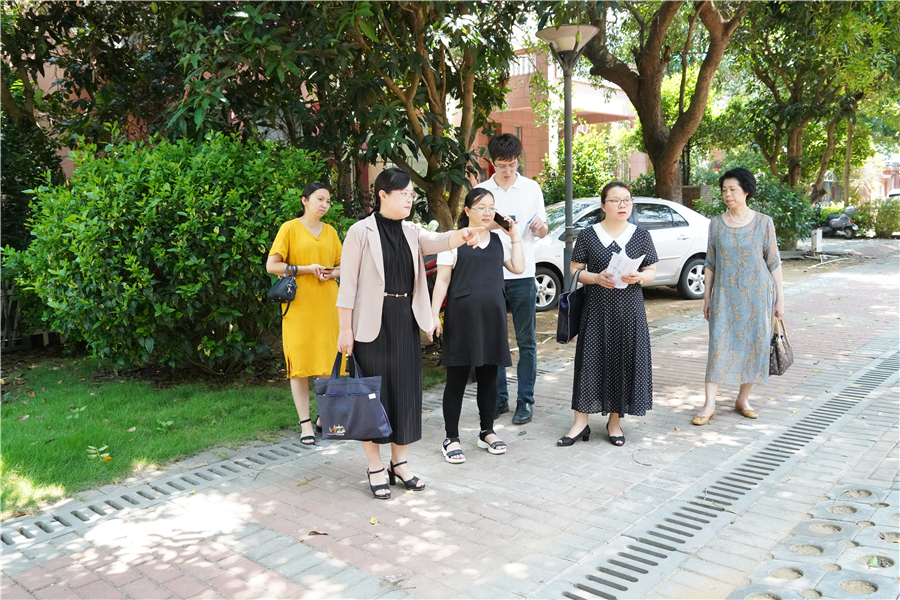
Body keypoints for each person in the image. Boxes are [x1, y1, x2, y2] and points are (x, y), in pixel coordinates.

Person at [336, 168, 483, 499]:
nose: (409, 199)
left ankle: (399, 463)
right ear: (383, 195)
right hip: (370, 324)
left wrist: (465, 234)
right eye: (403, 194)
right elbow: (348, 287)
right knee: (372, 397)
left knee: (404, 394)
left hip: (404, 320)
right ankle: (375, 466)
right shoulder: (360, 232)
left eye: (411, 194)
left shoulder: (412, 231)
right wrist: (345, 330)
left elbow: (440, 240)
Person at [558, 182, 658, 448]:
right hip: (596, 310)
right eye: (615, 200)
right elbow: (575, 270)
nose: (622, 205)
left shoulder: (641, 236)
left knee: (622, 362)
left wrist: (640, 277)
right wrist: (595, 278)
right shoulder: (589, 235)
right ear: (603, 205)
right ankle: (580, 423)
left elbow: (651, 271)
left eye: (627, 200)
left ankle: (615, 423)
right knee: (589, 364)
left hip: (630, 311)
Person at [430, 188, 525, 464]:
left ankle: (487, 432)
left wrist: (514, 235)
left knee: (489, 376)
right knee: (457, 378)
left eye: (491, 207)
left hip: (492, 317)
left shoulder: (497, 240)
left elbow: (518, 268)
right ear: (467, 210)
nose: (487, 212)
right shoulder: (453, 240)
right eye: (481, 207)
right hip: (462, 317)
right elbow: (442, 281)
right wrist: (433, 316)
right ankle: (451, 437)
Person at [693, 168, 784, 425]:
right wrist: (707, 298)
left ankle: (743, 399)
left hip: (758, 296)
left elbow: (773, 262)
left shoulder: (763, 222)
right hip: (724, 297)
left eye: (733, 189)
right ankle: (709, 404)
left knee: (754, 346)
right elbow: (710, 263)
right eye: (724, 190)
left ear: (746, 191)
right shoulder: (716, 224)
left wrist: (780, 299)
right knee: (718, 347)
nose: (728, 194)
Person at [477, 134, 548, 425]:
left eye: (512, 164)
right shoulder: (481, 190)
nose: (507, 170)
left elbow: (542, 231)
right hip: (490, 274)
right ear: (491, 162)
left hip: (523, 273)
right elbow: (473, 228)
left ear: (519, 160)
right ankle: (499, 398)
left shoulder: (531, 188)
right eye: (501, 165)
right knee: (494, 341)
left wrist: (540, 227)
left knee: (526, 341)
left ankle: (525, 400)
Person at [266, 183, 341, 446]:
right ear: (304, 201)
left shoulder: (331, 232)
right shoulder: (289, 228)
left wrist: (331, 273)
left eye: (328, 201)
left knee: (327, 365)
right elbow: (272, 265)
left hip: (328, 305)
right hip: (298, 307)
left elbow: (343, 266)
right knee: (299, 366)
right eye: (320, 199)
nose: (324, 205)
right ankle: (305, 423)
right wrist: (307, 269)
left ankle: (323, 417)